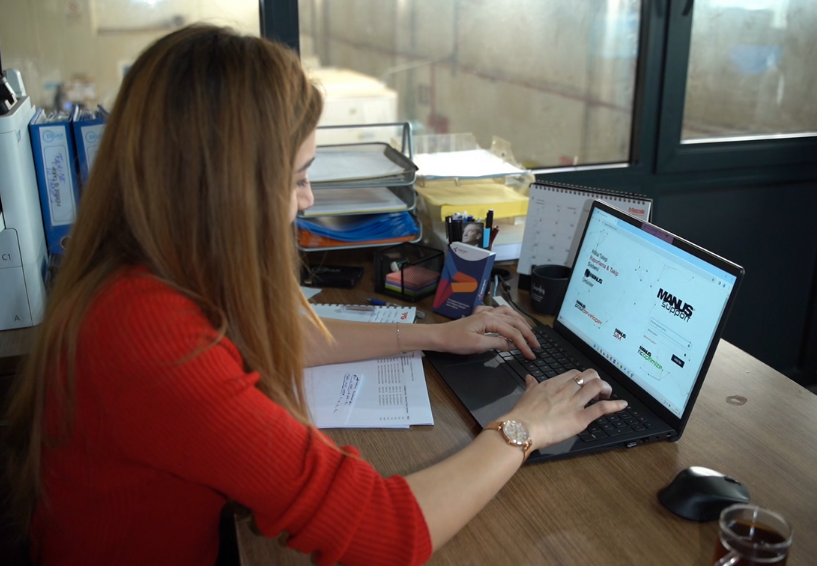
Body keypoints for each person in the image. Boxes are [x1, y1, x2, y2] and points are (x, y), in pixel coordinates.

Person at [2, 25, 626, 566]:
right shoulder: (152, 339)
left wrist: (435, 335)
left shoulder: (139, 270)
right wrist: (523, 427)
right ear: (227, 189)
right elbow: (386, 531)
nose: (306, 200)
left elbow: (283, 336)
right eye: (298, 177)